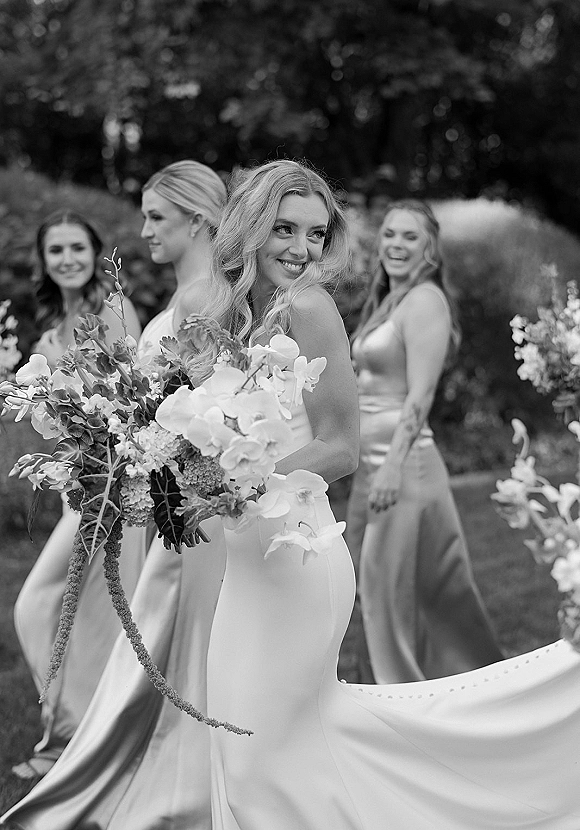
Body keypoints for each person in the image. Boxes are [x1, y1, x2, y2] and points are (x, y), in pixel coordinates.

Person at [5, 161, 580, 830]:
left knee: (260, 761)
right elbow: (180, 420)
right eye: (284, 229)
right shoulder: (221, 315)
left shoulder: (309, 306)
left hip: (299, 560)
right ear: (249, 225)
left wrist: (240, 483)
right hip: (243, 570)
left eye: (315, 233)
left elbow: (339, 443)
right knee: (250, 754)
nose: (301, 249)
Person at [0, 160, 228, 829]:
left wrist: (126, 440)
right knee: (151, 649)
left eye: (157, 217)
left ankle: (169, 777)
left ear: (198, 218)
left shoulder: (202, 299)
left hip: (171, 505)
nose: (145, 228)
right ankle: (113, 747)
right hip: (147, 497)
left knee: (169, 650)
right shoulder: (187, 295)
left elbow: (202, 421)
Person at [345, 199, 504, 684]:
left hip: (403, 466)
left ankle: (398, 700)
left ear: (430, 247)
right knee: (388, 592)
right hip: (370, 466)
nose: (395, 244)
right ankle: (423, 696)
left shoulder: (425, 301)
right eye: (390, 233)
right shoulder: (389, 301)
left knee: (385, 593)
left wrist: (392, 465)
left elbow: (421, 393)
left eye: (410, 236)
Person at [11, 210, 144, 781]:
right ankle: (80, 734)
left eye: (77, 248)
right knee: (82, 619)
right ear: (43, 261)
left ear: (94, 252)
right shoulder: (50, 323)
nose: (67, 259)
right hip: (74, 483)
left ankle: (79, 736)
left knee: (37, 604)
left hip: (108, 487)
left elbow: (135, 398)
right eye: (55, 250)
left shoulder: (113, 311)